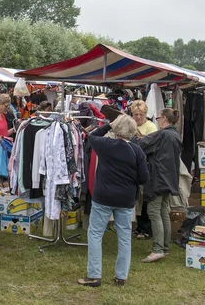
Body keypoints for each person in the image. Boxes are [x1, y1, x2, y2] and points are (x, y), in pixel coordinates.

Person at [78, 115, 149, 288]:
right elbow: (144, 178)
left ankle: (94, 275)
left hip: (103, 196)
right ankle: (121, 277)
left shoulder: (105, 145)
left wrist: (109, 125)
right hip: (125, 198)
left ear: (115, 129)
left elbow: (92, 136)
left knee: (95, 234)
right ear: (133, 131)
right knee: (124, 236)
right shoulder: (136, 150)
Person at [138, 108, 183, 263]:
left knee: (154, 212)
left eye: (158, 118)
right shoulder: (175, 135)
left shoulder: (163, 134)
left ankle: (158, 249)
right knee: (163, 212)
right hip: (169, 178)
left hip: (158, 178)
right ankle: (164, 248)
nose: (157, 121)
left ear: (164, 118)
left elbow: (142, 144)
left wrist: (132, 136)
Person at [129, 100, 158, 239]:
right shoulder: (131, 125)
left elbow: (149, 145)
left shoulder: (151, 126)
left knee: (145, 198)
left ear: (145, 114)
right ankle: (139, 227)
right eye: (135, 114)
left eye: (141, 114)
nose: (138, 117)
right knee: (138, 199)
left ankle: (146, 229)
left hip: (147, 165)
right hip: (134, 165)